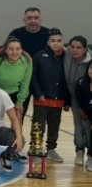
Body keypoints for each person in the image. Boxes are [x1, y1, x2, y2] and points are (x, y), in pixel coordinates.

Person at [30, 28, 70, 163]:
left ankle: (51, 149)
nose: (56, 43)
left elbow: (68, 79)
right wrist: (38, 93)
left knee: (54, 127)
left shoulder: (66, 57)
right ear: (47, 42)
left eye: (59, 41)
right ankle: (36, 149)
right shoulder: (39, 56)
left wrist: (67, 101)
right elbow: (33, 77)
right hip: (41, 99)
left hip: (58, 101)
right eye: (53, 41)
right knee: (38, 126)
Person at [63, 35, 92, 166]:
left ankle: (91, 153)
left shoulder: (89, 63)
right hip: (73, 96)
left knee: (87, 125)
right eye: (72, 47)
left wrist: (83, 107)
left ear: (85, 49)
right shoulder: (66, 55)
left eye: (78, 48)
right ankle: (79, 151)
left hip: (87, 98)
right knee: (77, 124)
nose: (74, 50)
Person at [0, 37, 32, 124]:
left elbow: (25, 84)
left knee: (17, 118)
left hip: (16, 93)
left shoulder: (27, 62)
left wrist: (20, 102)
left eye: (18, 49)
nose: (14, 52)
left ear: (21, 50)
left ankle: (17, 137)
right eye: (11, 49)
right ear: (5, 50)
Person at [74, 60, 92, 171]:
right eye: (91, 68)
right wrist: (82, 110)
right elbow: (79, 99)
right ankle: (80, 152)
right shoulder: (81, 82)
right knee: (83, 130)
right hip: (85, 112)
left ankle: (91, 157)